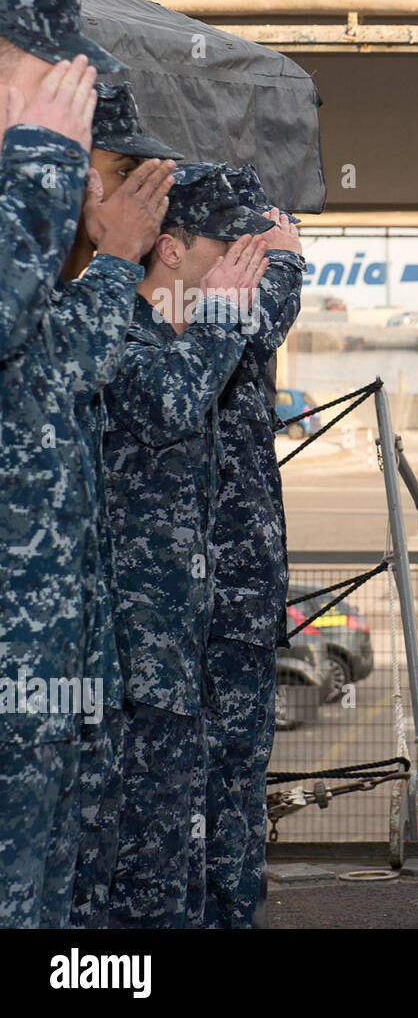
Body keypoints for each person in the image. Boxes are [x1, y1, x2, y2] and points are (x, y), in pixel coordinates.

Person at [103, 164, 270, 928]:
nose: (247, 262)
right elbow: (164, 406)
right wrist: (224, 319)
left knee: (174, 859)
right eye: (230, 246)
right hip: (128, 666)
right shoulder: (122, 335)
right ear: (170, 250)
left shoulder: (187, 338)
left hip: (178, 654)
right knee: (133, 864)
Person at [0, 0, 120, 929]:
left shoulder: (29, 227)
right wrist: (39, 166)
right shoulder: (26, 206)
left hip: (41, 667)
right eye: (45, 76)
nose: (66, 104)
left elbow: (69, 371)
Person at [49, 81, 180, 928]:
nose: (111, 197)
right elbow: (83, 374)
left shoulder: (79, 290)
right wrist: (121, 265)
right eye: (104, 176)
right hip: (38, 653)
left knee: (82, 866)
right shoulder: (53, 292)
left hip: (81, 641)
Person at [202, 161, 304, 928]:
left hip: (238, 587)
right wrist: (287, 262)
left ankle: (232, 906)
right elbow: (258, 325)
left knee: (236, 777)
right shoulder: (189, 308)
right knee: (203, 781)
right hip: (199, 593)